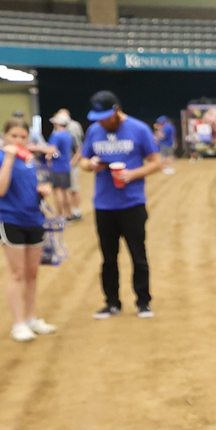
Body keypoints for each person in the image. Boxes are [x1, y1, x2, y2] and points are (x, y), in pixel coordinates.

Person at [81, 90, 160, 318]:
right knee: (108, 258)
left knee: (138, 255)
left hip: (132, 203)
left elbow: (155, 162)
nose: (102, 122)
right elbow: (84, 161)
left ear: (117, 111)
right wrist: (91, 164)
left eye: (106, 116)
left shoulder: (138, 129)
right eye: (98, 118)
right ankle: (112, 302)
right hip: (104, 205)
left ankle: (143, 302)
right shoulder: (95, 131)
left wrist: (133, 174)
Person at [0, 117, 59, 342]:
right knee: (17, 274)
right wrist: (8, 158)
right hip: (11, 221)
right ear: (5, 136)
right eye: (13, 136)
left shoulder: (29, 161)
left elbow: (29, 189)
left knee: (32, 273)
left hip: (34, 220)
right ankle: (18, 323)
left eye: (22, 137)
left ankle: (31, 318)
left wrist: (40, 192)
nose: (18, 140)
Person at [45, 116, 76, 219]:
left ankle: (59, 215)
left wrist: (43, 152)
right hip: (66, 166)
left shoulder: (56, 136)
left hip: (57, 167)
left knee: (58, 191)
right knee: (66, 191)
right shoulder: (68, 135)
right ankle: (69, 213)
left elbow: (51, 150)